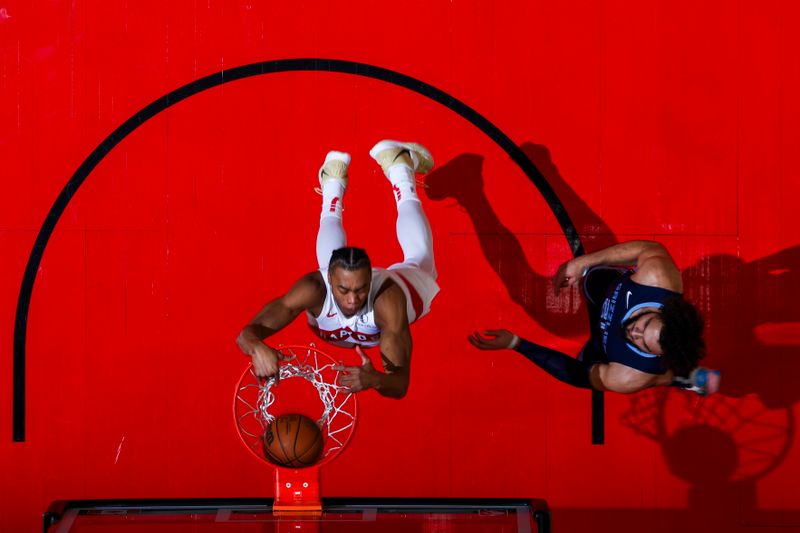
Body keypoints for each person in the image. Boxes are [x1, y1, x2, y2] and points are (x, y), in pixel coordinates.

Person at [236, 140, 440, 398]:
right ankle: (334, 181)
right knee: (330, 262)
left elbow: (400, 385)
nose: (353, 299)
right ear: (329, 280)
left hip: (392, 290)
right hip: (332, 292)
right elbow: (245, 334)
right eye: (343, 289)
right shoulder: (314, 287)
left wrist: (376, 378)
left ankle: (399, 169)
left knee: (420, 261)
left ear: (371, 280)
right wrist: (256, 347)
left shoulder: (388, 301)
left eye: (361, 289)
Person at [469, 240, 720, 394]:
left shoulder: (629, 375)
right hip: (610, 288)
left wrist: (517, 344)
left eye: (642, 342)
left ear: (656, 353)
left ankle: (680, 377)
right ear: (662, 310)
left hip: (604, 348)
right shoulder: (658, 278)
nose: (635, 333)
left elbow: (577, 375)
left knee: (647, 376)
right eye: (644, 325)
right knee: (594, 276)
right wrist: (583, 262)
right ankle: (685, 375)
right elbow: (648, 249)